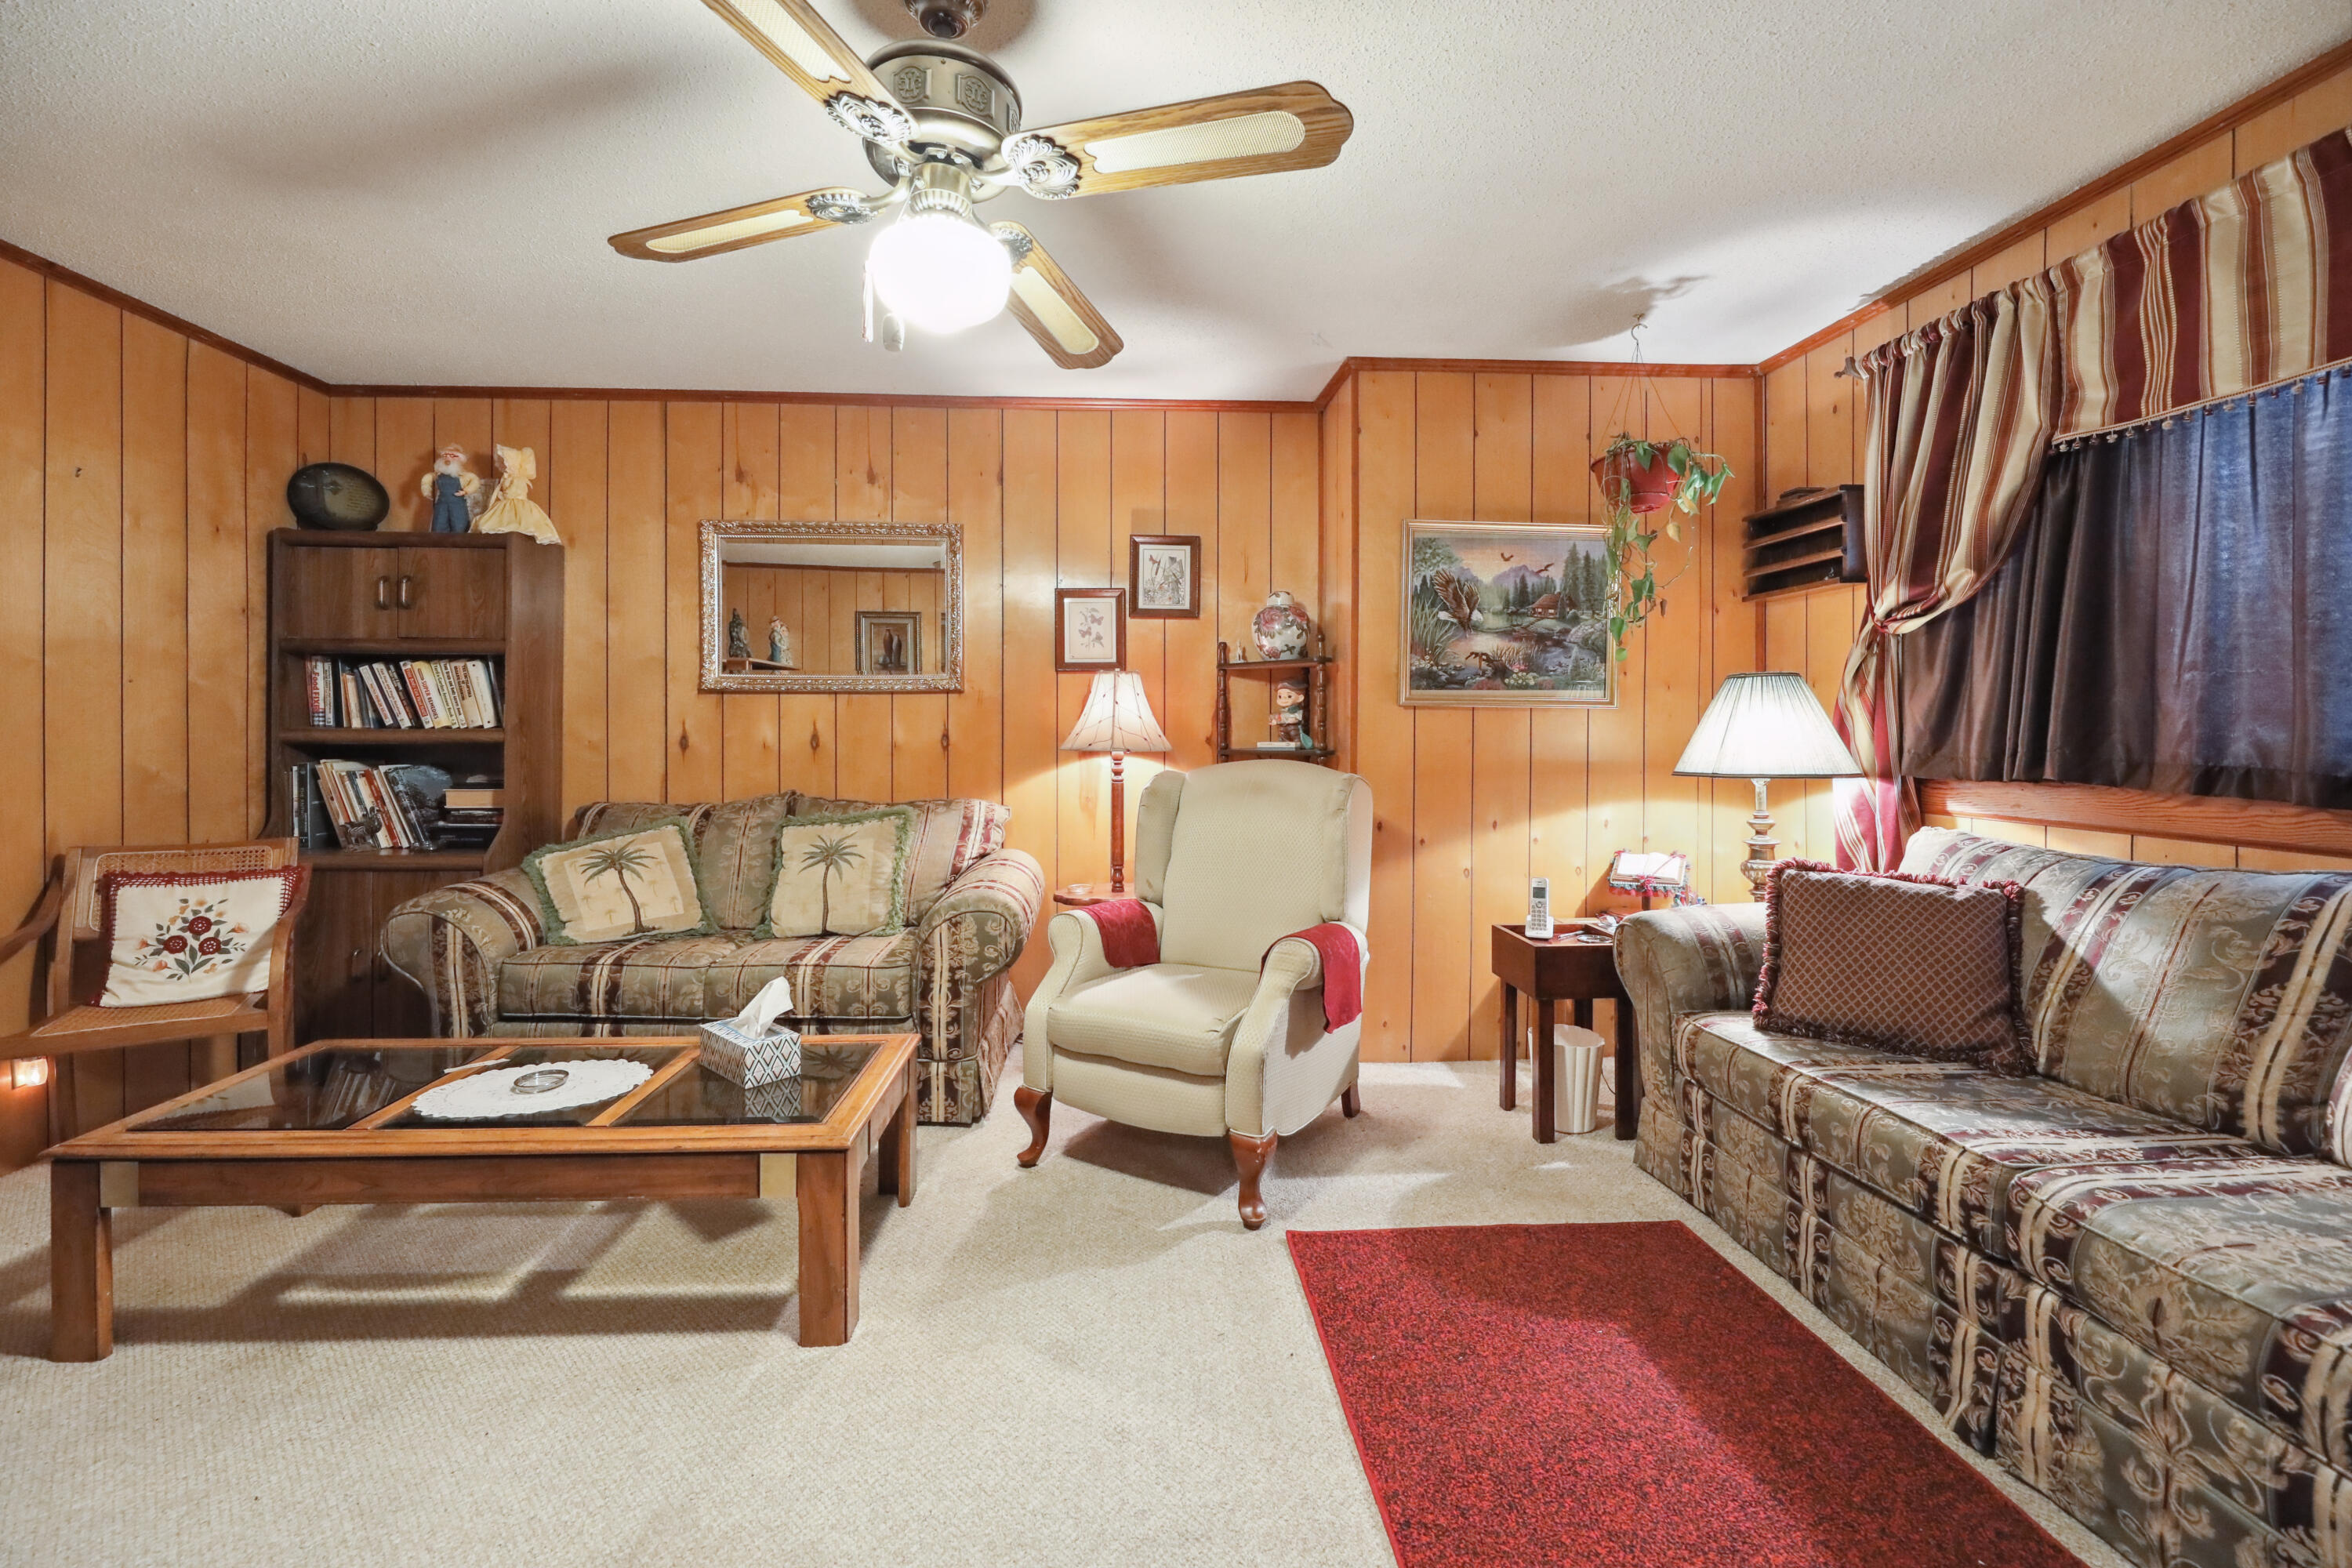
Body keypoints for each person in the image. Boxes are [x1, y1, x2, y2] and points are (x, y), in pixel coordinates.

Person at [473, 445, 561, 545]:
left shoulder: (518, 479)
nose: (505, 466)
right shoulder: (507, 477)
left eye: (506, 463)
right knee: (500, 521)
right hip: (507, 503)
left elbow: (515, 491)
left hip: (516, 503)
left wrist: (506, 494)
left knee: (519, 522)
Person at [421, 445, 479, 534]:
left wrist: (466, 491)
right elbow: (427, 478)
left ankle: (458, 541)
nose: (448, 458)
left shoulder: (464, 476)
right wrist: (426, 490)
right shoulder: (438, 475)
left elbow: (475, 481)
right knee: (439, 524)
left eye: (452, 456)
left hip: (457, 504)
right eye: (445, 455)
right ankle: (439, 541)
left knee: (459, 525)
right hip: (442, 504)